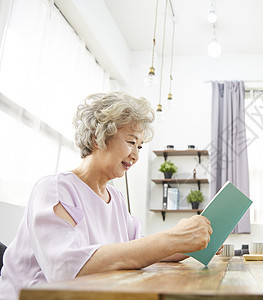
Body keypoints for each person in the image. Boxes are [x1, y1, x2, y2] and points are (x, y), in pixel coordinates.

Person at [0, 92, 213, 299]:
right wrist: (173, 238)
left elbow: (139, 248)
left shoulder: (115, 198)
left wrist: (187, 244)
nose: (136, 155)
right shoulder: (54, 189)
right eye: (131, 142)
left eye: (139, 146)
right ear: (97, 137)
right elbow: (64, 269)